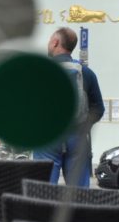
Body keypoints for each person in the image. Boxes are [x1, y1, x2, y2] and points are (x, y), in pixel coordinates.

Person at [34, 27, 105, 186]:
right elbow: (99, 109)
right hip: (77, 138)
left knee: (42, 192)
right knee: (78, 195)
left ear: (55, 43)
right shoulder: (86, 73)